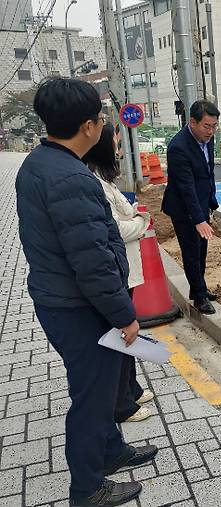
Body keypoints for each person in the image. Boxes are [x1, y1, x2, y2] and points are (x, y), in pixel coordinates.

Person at [16, 78, 158, 506]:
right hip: (79, 307)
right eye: (100, 119)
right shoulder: (70, 179)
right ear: (88, 127)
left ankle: (112, 451)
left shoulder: (38, 163)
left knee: (104, 385)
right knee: (92, 399)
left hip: (65, 300)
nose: (103, 126)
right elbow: (92, 263)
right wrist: (124, 316)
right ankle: (87, 488)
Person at [83, 124, 155, 424]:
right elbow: (115, 228)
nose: (119, 149)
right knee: (122, 335)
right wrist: (141, 222)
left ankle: (131, 389)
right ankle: (122, 404)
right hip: (116, 271)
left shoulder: (102, 179)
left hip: (124, 267)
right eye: (115, 142)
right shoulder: (94, 183)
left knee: (127, 334)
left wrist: (137, 216)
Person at [162, 100, 220, 315]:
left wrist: (210, 203)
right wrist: (198, 219)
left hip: (201, 204)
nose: (211, 131)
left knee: (201, 251)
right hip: (183, 209)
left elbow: (207, 173)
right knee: (192, 253)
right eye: (207, 126)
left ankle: (200, 289)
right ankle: (199, 297)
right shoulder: (179, 147)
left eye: (214, 126)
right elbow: (186, 187)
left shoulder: (207, 139)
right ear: (192, 122)